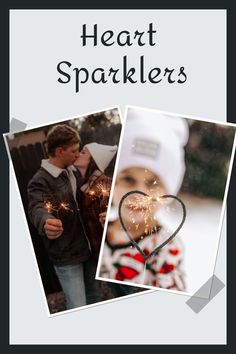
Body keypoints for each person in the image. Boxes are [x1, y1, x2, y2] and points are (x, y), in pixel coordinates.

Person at [99, 108, 189, 291]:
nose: (139, 194)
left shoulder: (166, 247)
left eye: (152, 183)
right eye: (128, 179)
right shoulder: (97, 230)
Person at [27, 124, 91, 310]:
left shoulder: (72, 172)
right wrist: (45, 221)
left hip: (87, 248)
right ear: (60, 151)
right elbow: (37, 208)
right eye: (73, 151)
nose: (78, 154)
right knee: (78, 306)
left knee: (95, 298)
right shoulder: (39, 181)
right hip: (67, 256)